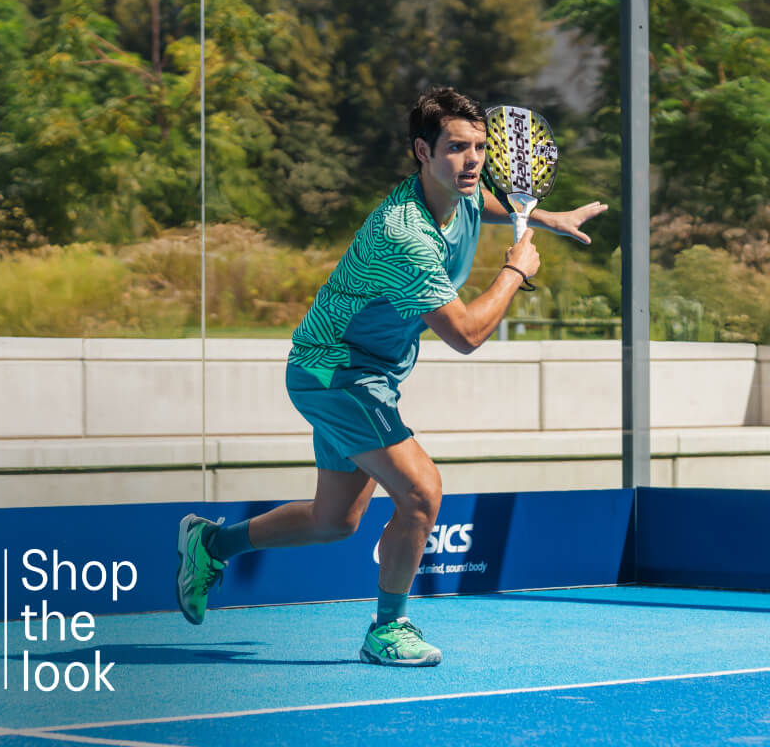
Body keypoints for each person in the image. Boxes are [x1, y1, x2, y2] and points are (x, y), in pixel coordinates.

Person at [176, 87, 607, 666]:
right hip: (334, 370)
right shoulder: (405, 236)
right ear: (422, 153)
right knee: (422, 492)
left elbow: (487, 203)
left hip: (368, 372)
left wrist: (546, 218)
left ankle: (211, 543)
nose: (473, 160)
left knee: (334, 522)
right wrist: (514, 271)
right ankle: (388, 628)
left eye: (480, 147)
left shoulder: (464, 191)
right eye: (457, 148)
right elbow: (466, 335)